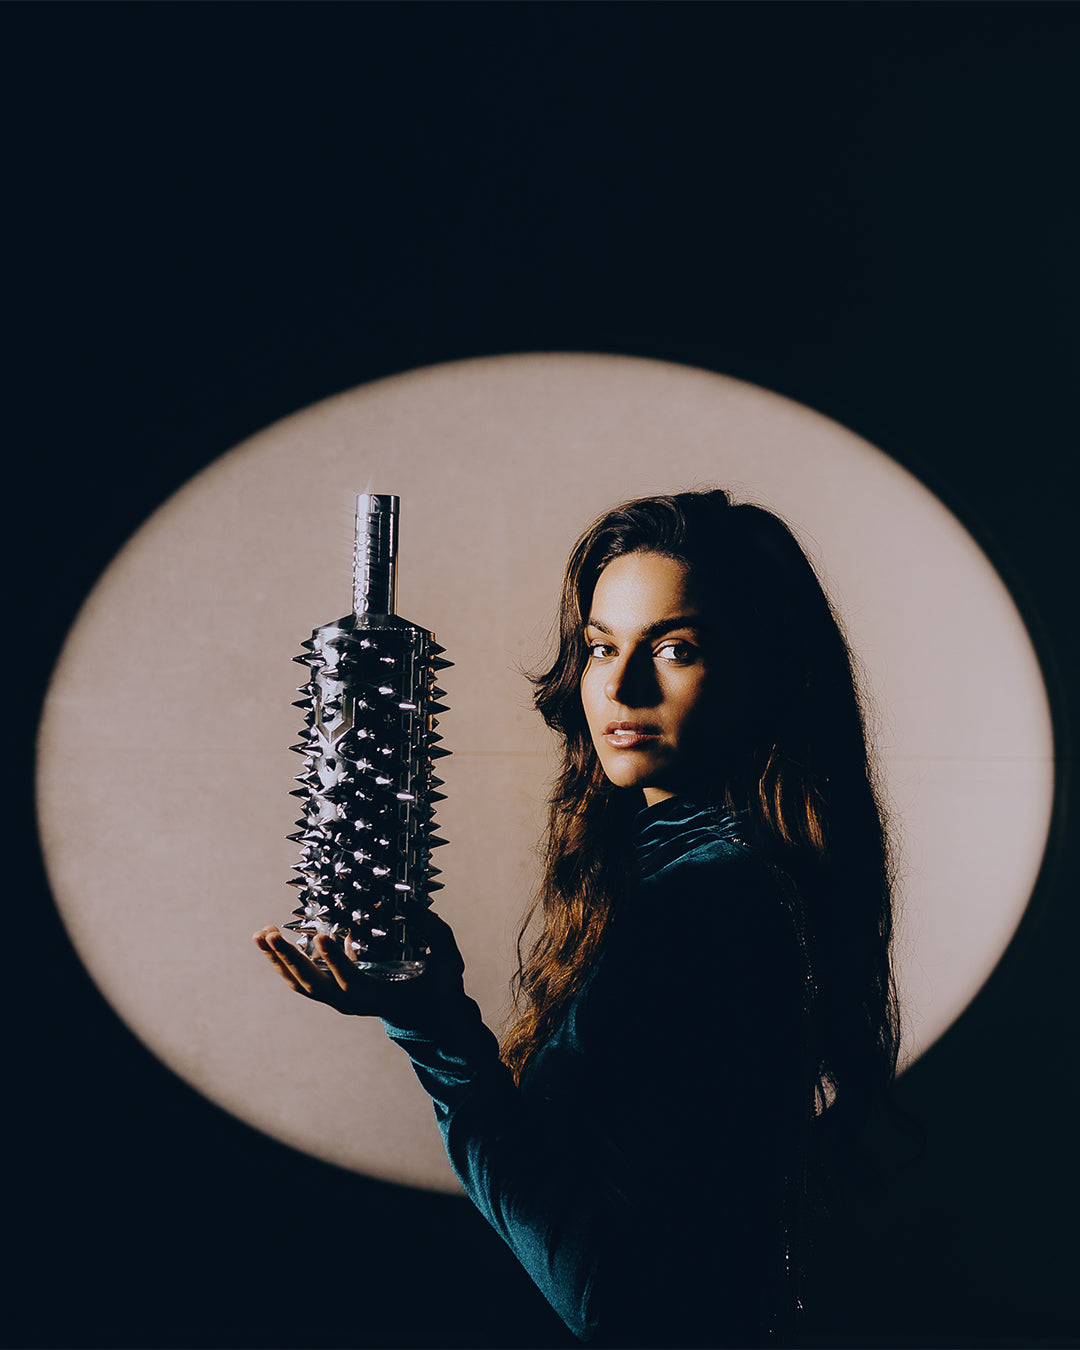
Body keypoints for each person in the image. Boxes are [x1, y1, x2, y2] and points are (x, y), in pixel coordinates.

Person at [254, 488, 900, 1348]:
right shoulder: (700, 875)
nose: (621, 686)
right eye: (601, 647)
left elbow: (613, 1302)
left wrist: (440, 1035)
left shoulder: (707, 906)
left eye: (676, 648)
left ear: (770, 672)